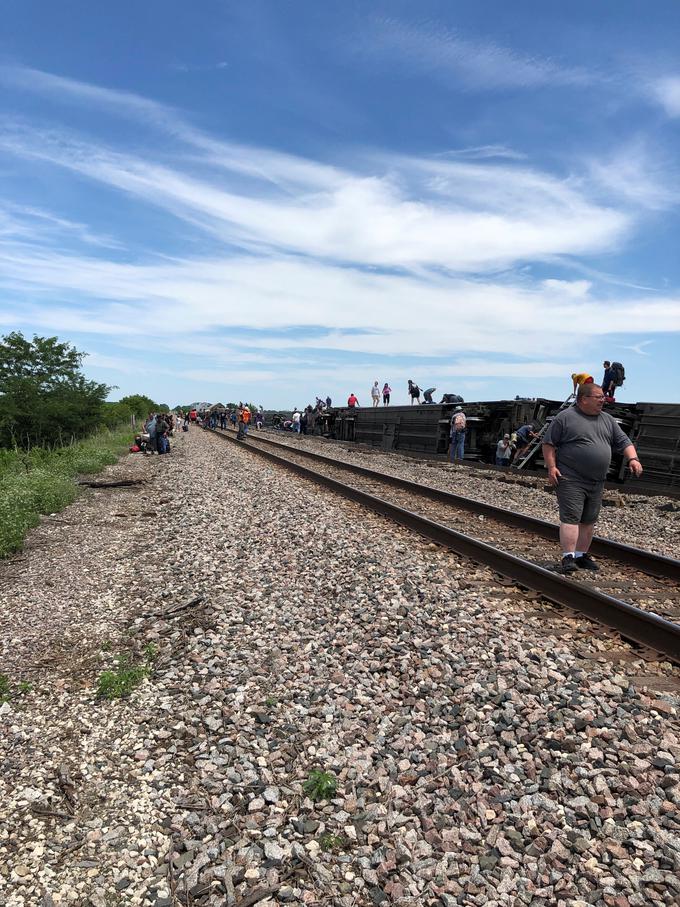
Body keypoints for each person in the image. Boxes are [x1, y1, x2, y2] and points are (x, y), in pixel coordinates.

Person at [542, 384, 643, 574]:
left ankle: (581, 555)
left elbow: (624, 442)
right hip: (570, 477)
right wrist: (552, 467)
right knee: (571, 517)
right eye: (598, 397)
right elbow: (548, 443)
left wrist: (633, 459)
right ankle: (568, 557)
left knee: (588, 520)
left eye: (603, 397)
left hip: (596, 480)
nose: (602, 400)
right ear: (583, 399)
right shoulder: (565, 417)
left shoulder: (607, 419)